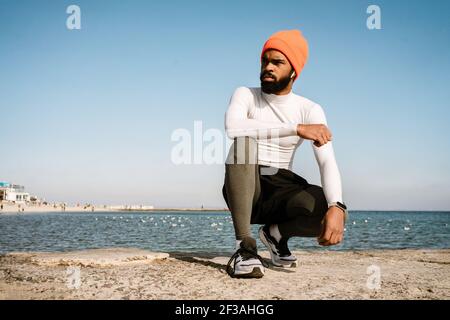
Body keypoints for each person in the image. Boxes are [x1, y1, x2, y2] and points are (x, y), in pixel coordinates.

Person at [222, 29, 348, 278]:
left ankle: (275, 236)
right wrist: (296, 129)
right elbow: (233, 127)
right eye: (264, 61)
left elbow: (327, 162)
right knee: (244, 142)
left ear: (293, 71)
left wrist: (338, 206)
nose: (268, 67)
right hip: (248, 185)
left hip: (282, 186)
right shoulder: (245, 94)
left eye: (277, 62)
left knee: (326, 206)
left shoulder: (309, 109)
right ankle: (244, 249)